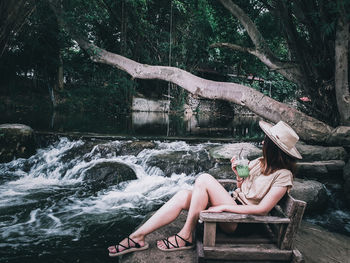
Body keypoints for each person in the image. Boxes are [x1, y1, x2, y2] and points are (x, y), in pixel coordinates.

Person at [108, 120, 302, 257]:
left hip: (242, 222)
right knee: (184, 194)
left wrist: (223, 208)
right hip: (234, 206)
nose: (262, 142)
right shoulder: (260, 162)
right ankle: (138, 237)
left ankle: (186, 236)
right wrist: (238, 175)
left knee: (205, 179)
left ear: (274, 147)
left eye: (266, 140)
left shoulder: (283, 176)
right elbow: (243, 188)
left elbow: (262, 210)